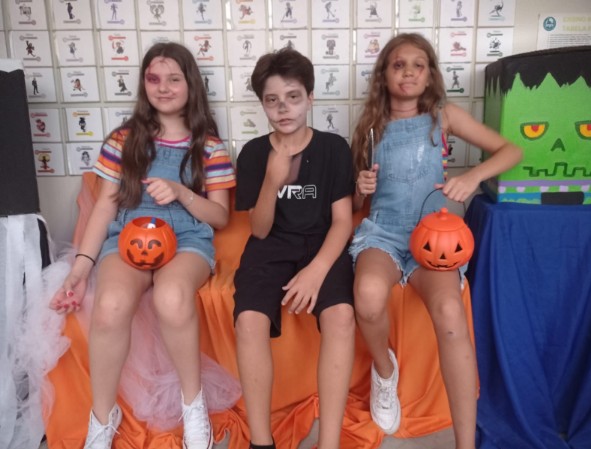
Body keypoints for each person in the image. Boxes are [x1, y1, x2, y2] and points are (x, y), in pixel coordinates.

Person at [50, 42, 236, 449]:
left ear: (191, 85)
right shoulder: (124, 140)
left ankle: (193, 406)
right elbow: (105, 206)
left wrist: (182, 193)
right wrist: (80, 269)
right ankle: (103, 417)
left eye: (174, 79)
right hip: (127, 238)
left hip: (187, 239)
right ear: (143, 84)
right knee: (110, 305)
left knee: (172, 297)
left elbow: (221, 216)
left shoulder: (208, 147)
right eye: (154, 79)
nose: (163, 87)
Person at [349, 33, 522, 449]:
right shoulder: (370, 127)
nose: (408, 72)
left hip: (434, 235)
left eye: (418, 65)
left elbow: (511, 151)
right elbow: (356, 201)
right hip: (384, 231)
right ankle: (384, 371)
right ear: (383, 75)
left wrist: (473, 176)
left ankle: (465, 442)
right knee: (368, 295)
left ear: (430, 76)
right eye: (398, 65)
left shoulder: (444, 117)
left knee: (449, 311)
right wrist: (360, 187)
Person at [233, 48, 355, 449]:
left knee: (341, 317)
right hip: (270, 247)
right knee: (248, 321)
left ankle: (329, 443)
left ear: (310, 98)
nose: (283, 108)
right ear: (262, 104)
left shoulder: (334, 148)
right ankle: (261, 441)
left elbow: (342, 221)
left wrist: (316, 271)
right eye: (272, 100)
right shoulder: (254, 153)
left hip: (322, 244)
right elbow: (259, 229)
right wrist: (273, 179)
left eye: (293, 97)